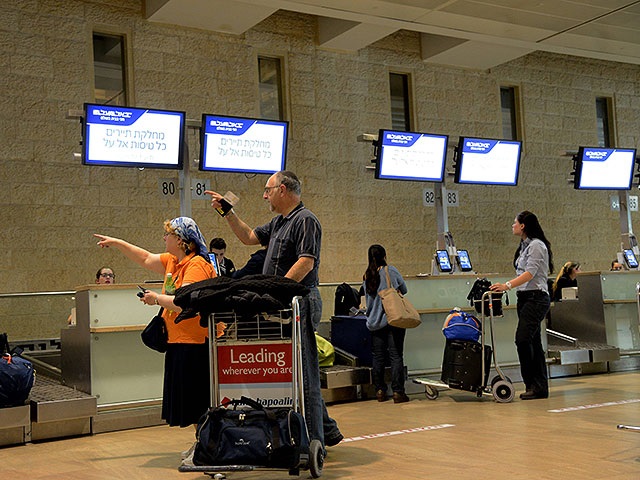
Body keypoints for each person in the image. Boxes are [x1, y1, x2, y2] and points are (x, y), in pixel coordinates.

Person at [205, 171, 343, 449]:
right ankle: (327, 431)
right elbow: (248, 237)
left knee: (305, 374)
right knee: (297, 371)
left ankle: (315, 441)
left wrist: (277, 291)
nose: (264, 195)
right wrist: (227, 212)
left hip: (299, 301)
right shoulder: (279, 222)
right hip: (281, 303)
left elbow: (306, 262)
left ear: (283, 189)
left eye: (268, 190)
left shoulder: (306, 220)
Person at [94, 217, 216, 433]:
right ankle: (202, 443)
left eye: (168, 234)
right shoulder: (174, 261)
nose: (164, 238)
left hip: (194, 343)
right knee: (189, 405)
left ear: (180, 240)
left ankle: (209, 444)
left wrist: (156, 299)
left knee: (197, 403)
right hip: (178, 341)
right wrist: (117, 243)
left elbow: (184, 303)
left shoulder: (196, 265)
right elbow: (145, 258)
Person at [490, 211, 554, 400]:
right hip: (525, 298)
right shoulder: (524, 246)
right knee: (533, 341)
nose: (513, 225)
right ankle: (538, 387)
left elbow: (530, 273)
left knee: (523, 339)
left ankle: (533, 383)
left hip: (536, 298)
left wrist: (507, 286)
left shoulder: (536, 245)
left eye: (515, 222)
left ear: (523, 225)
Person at [362, 244, 410, 404]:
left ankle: (380, 391)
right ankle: (398, 392)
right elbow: (404, 289)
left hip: (375, 322)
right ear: (384, 256)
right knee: (396, 356)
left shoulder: (367, 275)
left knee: (378, 357)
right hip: (393, 319)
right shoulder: (390, 271)